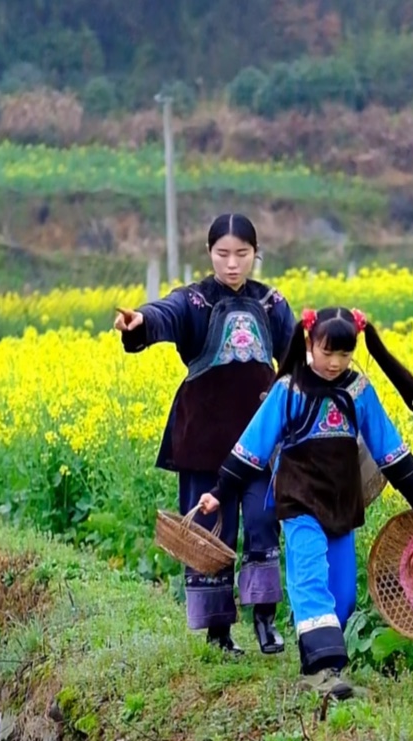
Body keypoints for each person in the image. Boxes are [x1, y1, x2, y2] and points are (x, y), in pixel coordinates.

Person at [196, 306, 413, 699]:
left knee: (343, 594)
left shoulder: (359, 391)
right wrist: (219, 491)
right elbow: (253, 444)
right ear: (309, 344)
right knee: (310, 576)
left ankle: (319, 658)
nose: (334, 363)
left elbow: (387, 444)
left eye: (344, 355)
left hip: (342, 503)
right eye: (326, 352)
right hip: (299, 500)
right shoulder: (288, 390)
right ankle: (322, 672)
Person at [114, 214, 295, 656]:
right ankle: (218, 633)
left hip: (258, 443)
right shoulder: (194, 300)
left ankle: (266, 621)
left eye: (242, 254)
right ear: (209, 254)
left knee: (261, 522)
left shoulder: (271, 303)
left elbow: (297, 356)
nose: (232, 264)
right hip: (203, 441)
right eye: (223, 254)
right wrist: (140, 322)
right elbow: (164, 314)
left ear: (256, 254)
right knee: (210, 536)